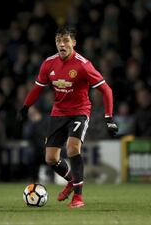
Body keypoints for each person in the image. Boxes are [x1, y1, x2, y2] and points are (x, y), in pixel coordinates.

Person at [19, 26, 118, 208]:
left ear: (74, 43)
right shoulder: (49, 64)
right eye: (58, 41)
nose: (62, 44)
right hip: (58, 112)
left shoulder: (83, 65)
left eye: (65, 41)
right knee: (50, 158)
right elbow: (37, 88)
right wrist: (25, 106)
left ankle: (78, 197)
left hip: (80, 112)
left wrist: (109, 118)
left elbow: (106, 90)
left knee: (72, 149)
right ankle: (73, 181)